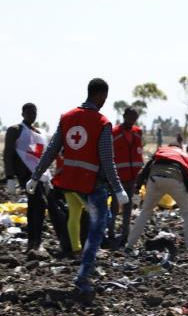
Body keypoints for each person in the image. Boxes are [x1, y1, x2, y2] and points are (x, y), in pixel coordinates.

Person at [26, 78, 129, 293]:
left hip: (70, 182)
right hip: (92, 184)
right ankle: (82, 278)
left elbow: (51, 150)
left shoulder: (67, 118)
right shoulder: (102, 123)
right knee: (97, 229)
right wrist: (118, 189)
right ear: (101, 96)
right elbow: (107, 160)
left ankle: (82, 261)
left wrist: (35, 176)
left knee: (98, 217)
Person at [3, 103, 69, 252]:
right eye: (29, 112)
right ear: (23, 113)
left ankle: (33, 242)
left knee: (35, 206)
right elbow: (8, 153)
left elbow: (42, 155)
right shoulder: (15, 130)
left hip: (39, 175)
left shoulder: (38, 133)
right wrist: (10, 176)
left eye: (34, 112)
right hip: (25, 175)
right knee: (39, 205)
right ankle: (35, 242)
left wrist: (47, 176)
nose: (32, 115)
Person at [126, 143, 188, 250]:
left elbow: (146, 168)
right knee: (187, 213)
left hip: (154, 178)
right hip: (174, 179)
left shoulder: (161, 152)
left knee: (145, 212)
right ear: (179, 148)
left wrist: (138, 186)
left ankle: (130, 245)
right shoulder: (183, 155)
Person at [109, 107, 143, 245]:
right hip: (117, 177)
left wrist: (140, 175)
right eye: (130, 117)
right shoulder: (114, 132)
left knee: (128, 207)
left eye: (135, 118)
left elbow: (139, 153)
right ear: (124, 116)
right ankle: (110, 233)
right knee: (114, 206)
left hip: (133, 176)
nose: (132, 120)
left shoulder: (138, 133)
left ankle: (125, 234)